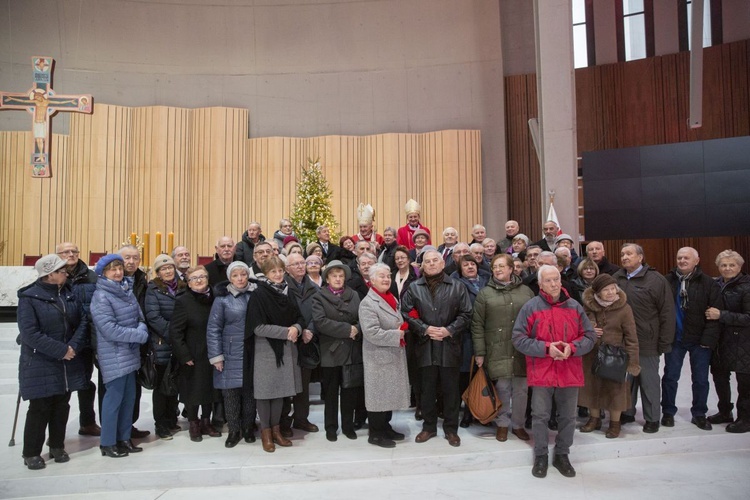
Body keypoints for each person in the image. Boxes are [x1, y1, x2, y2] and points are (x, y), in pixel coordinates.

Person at [512, 265, 596, 478]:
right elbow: (518, 339)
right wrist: (546, 348)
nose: (554, 284)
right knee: (540, 415)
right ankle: (540, 455)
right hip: (542, 370)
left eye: (556, 279)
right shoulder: (530, 307)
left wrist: (573, 347)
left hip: (569, 369)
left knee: (568, 416)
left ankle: (562, 454)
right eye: (548, 281)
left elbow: (589, 336)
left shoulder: (575, 306)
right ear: (540, 284)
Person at [17, 254, 88, 470]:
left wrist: (73, 347)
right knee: (40, 407)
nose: (66, 274)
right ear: (50, 275)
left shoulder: (69, 294)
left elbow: (83, 321)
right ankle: (31, 452)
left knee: (61, 405)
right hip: (40, 361)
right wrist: (61, 350)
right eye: (62, 271)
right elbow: (29, 333)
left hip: (67, 360)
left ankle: (57, 445)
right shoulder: (30, 298)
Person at [402, 250, 472, 447]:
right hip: (424, 346)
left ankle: (451, 429)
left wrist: (449, 330)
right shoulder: (414, 287)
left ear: (443, 264)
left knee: (451, 391)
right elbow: (405, 312)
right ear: (422, 266)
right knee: (427, 390)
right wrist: (424, 329)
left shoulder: (457, 286)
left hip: (450, 345)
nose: (431, 264)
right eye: (427, 261)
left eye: (435, 260)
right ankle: (429, 427)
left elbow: (467, 314)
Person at [90, 254, 149, 458]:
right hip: (114, 354)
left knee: (129, 399)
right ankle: (107, 442)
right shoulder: (101, 296)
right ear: (103, 273)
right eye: (113, 269)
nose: (118, 272)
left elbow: (140, 317)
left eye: (120, 268)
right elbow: (109, 329)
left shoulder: (126, 290)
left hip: (130, 352)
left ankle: (124, 438)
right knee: (113, 400)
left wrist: (140, 330)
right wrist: (139, 335)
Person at [472, 254, 535, 441]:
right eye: (494, 267)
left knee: (521, 389)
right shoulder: (485, 293)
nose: (497, 270)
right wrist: (480, 352)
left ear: (511, 269)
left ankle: (518, 425)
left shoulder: (526, 292)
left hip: (522, 349)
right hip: (496, 349)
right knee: (502, 388)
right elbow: (477, 325)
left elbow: (535, 320)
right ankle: (502, 424)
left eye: (501, 266)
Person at [614, 243, 675, 432]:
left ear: (640, 257)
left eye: (629, 254)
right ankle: (627, 412)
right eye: (622, 254)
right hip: (623, 342)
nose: (624, 257)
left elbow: (667, 313)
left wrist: (664, 342)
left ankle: (652, 418)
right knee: (626, 381)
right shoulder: (617, 278)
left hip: (647, 341)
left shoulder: (656, 280)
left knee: (649, 382)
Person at [246, 256, 304, 452]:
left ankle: (277, 431)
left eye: (280, 271)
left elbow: (299, 317)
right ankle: (266, 433)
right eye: (273, 272)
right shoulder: (259, 294)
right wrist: (287, 332)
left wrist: (297, 327)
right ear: (266, 274)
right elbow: (257, 327)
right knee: (264, 394)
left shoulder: (288, 292)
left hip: (286, 349)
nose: (278, 275)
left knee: (280, 392)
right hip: (266, 350)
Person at [661, 247, 722, 430]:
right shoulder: (667, 281)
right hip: (675, 338)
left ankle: (699, 414)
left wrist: (708, 339)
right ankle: (668, 412)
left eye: (687, 258)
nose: (682, 261)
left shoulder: (709, 283)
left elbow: (715, 313)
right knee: (670, 377)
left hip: (700, 340)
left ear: (697, 260)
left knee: (701, 379)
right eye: (679, 257)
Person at [579, 274, 640, 439]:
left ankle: (614, 423)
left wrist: (632, 362)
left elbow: (631, 337)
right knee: (591, 388)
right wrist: (589, 328)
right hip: (591, 354)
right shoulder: (588, 306)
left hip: (615, 357)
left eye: (613, 288)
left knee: (615, 391)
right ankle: (594, 419)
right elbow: (579, 325)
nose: (611, 292)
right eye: (606, 290)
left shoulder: (624, 308)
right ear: (597, 293)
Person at [358, 263, 411, 448]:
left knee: (388, 396)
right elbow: (371, 332)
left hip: (391, 354)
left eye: (388, 276)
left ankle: (385, 426)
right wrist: (398, 334)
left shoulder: (391, 297)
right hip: (378, 357)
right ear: (372, 280)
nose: (386, 279)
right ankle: (375, 433)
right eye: (381, 276)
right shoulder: (368, 303)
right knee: (378, 397)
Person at [312, 260, 363, 442]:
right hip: (330, 351)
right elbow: (320, 322)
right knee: (331, 393)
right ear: (327, 278)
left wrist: (356, 328)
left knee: (349, 392)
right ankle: (331, 427)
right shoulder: (319, 297)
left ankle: (348, 426)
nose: (338, 279)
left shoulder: (354, 295)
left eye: (341, 276)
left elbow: (361, 317)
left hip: (351, 350)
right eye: (334, 275)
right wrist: (347, 330)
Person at [169, 266, 221, 442]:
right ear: (188, 283)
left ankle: (207, 422)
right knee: (193, 390)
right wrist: (184, 356)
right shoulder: (183, 301)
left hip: (213, 351)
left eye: (202, 277)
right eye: (194, 278)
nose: (199, 281)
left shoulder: (216, 298)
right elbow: (175, 332)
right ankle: (194, 423)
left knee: (210, 389)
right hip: (193, 353)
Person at [206, 261, 255, 448]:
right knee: (231, 393)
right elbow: (213, 329)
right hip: (230, 351)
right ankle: (234, 430)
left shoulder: (255, 295)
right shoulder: (222, 300)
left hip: (252, 350)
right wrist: (216, 356)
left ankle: (249, 428)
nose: (240, 278)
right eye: (235, 275)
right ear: (229, 278)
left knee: (250, 393)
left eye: (243, 274)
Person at [55, 242, 100, 437]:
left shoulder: (91, 276)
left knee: (84, 381)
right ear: (58, 254)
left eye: (74, 251)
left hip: (85, 338)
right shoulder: (52, 275)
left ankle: (87, 422)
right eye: (66, 251)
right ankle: (56, 432)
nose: (71, 254)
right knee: (60, 386)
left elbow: (96, 306)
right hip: (59, 339)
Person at [706, 250, 750, 433]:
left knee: (744, 383)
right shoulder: (715, 284)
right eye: (723, 265)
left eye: (732, 265)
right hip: (720, 340)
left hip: (743, 342)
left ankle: (745, 419)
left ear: (740, 266)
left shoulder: (747, 286)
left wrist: (721, 315)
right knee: (720, 378)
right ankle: (725, 412)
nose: (727, 268)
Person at [144, 254, 186, 439]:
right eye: (163, 269)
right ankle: (160, 424)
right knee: (162, 386)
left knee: (174, 383)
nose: (168, 271)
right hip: (163, 343)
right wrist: (175, 334)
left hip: (180, 343)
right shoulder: (153, 289)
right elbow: (153, 316)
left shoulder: (183, 286)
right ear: (158, 272)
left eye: (170, 267)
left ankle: (171, 419)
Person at [281, 253, 320, 434]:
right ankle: (283, 422)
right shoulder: (282, 287)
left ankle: (301, 419)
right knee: (286, 383)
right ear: (287, 268)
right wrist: (299, 328)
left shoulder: (313, 287)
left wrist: (310, 329)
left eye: (302, 263)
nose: (300, 266)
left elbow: (318, 311)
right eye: (295, 264)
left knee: (303, 384)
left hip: (307, 341)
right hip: (289, 339)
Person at [116, 245, 150, 439]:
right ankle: (114, 431)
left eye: (135, 258)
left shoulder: (142, 281)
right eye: (127, 258)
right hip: (116, 344)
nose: (131, 262)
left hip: (138, 341)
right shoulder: (109, 281)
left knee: (133, 390)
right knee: (114, 392)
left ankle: (128, 426)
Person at [452, 254, 490, 428]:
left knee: (486, 376)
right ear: (461, 269)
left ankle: (485, 411)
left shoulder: (488, 281)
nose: (470, 267)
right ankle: (467, 412)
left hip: (487, 333)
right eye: (465, 265)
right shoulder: (457, 284)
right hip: (466, 336)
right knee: (467, 375)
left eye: (472, 264)